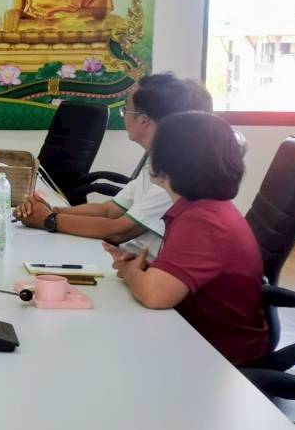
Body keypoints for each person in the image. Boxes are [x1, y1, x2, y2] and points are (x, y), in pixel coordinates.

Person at [107, 111, 269, 366]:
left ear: (170, 162)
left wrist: (130, 271)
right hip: (196, 339)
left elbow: (154, 295)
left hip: (221, 360)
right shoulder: (204, 209)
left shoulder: (202, 223)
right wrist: (147, 269)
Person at [16, 72, 191, 255]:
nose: (124, 116)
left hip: (143, 272)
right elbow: (107, 210)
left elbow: (118, 230)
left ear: (143, 121)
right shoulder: (153, 164)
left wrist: (48, 219)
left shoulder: (173, 177)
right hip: (122, 261)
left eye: (126, 110)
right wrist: (49, 210)